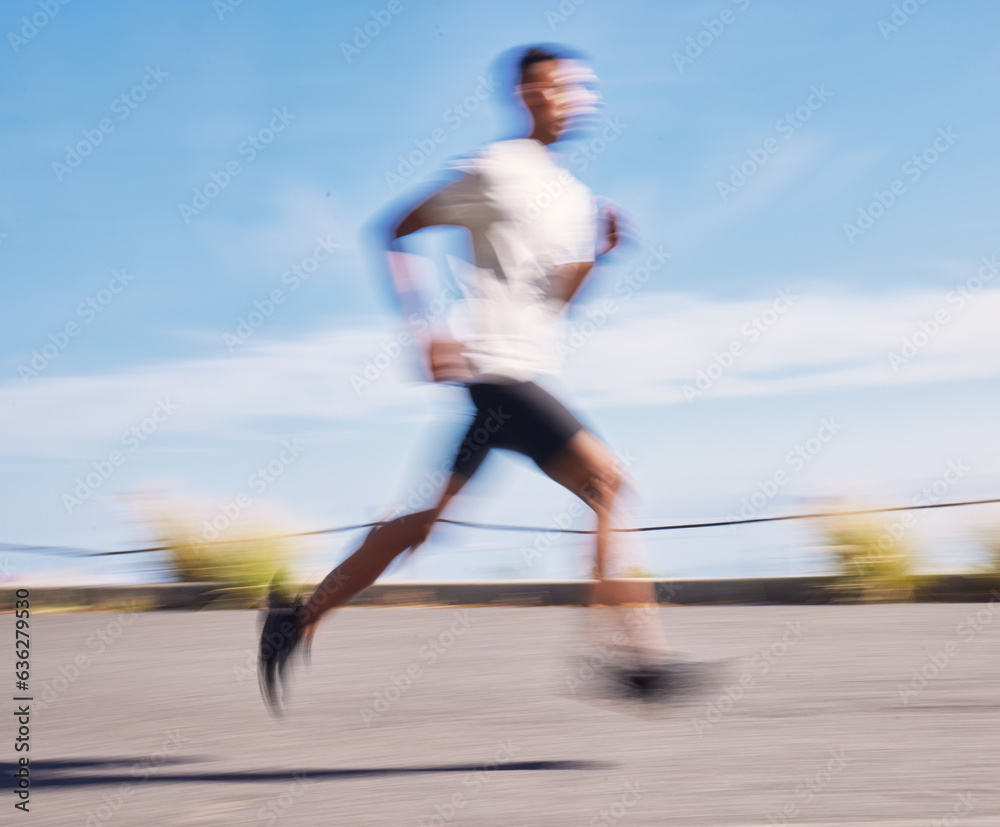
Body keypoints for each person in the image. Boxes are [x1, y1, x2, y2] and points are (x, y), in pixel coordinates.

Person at [259, 44, 676, 712]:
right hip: (497, 374)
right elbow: (395, 229)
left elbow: (553, 302)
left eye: (577, 88)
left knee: (423, 524)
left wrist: (599, 256)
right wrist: (424, 328)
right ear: (525, 95)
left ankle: (298, 618)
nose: (568, 98)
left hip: (521, 371)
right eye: (553, 87)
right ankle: (623, 653)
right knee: (608, 484)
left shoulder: (574, 197)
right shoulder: (495, 169)